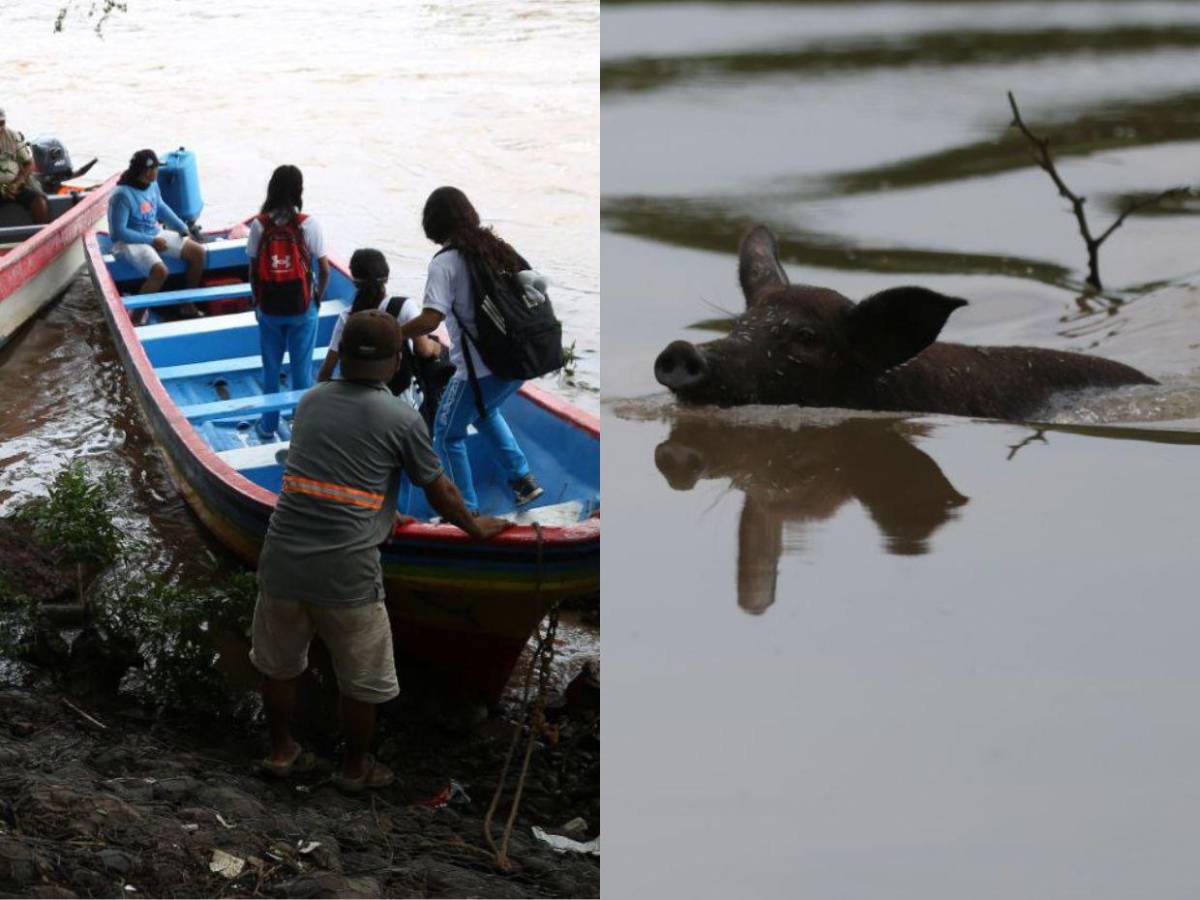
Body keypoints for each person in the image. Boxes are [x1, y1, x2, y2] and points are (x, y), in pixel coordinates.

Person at [250, 309, 511, 792]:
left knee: (278, 664)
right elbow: (439, 489)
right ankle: (355, 768)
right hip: (347, 571)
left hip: (282, 556)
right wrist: (475, 527)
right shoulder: (401, 417)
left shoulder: (310, 401)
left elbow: (331, 473)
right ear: (396, 363)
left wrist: (381, 513)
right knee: (362, 676)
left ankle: (281, 751)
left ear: (341, 356)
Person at [399, 186, 543, 511]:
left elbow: (431, 318)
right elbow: (536, 290)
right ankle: (523, 480)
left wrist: (396, 332)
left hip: (478, 372)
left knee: (446, 434)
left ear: (432, 222)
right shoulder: (496, 248)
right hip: (519, 361)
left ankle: (464, 509)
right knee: (485, 412)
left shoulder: (444, 263)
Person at [317, 247, 451, 428]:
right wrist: (438, 347)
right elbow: (424, 349)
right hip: (400, 402)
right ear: (386, 277)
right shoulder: (403, 306)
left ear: (355, 281)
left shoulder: (347, 317)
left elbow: (327, 370)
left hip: (361, 404)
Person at [247, 164, 330, 441]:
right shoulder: (309, 224)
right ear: (299, 190)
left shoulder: (259, 224)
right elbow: (324, 270)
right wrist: (316, 299)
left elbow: (253, 269)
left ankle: (268, 426)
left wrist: (257, 302)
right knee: (301, 370)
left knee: (270, 369)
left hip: (269, 308)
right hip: (302, 309)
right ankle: (301, 427)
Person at [107, 149, 206, 318]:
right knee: (160, 272)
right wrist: (151, 241)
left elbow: (160, 207)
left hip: (152, 232)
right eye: (155, 168)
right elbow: (119, 232)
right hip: (129, 241)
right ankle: (136, 317)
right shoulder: (121, 195)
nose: (158, 171)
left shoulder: (152, 185)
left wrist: (182, 227)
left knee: (198, 253)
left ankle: (187, 304)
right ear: (147, 171)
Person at [0, 108, 50, 224]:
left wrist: (17, 183)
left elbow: (29, 163)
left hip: (13, 186)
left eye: (1, 123)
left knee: (38, 200)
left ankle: (44, 232)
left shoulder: (13, 136)